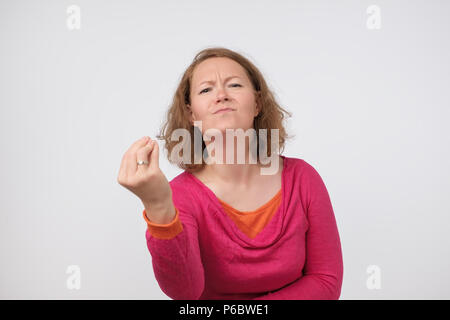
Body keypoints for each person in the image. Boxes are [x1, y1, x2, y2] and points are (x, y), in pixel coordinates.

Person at [117, 47, 344, 300]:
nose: (222, 95)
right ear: (192, 114)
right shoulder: (180, 196)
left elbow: (326, 282)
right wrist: (158, 206)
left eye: (234, 85)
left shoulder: (303, 178)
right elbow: (186, 292)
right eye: (206, 90)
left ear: (257, 103)